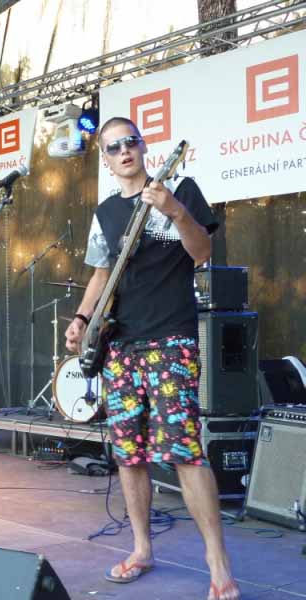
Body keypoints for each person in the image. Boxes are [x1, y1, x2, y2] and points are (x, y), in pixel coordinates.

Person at [65, 117, 239, 600]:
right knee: (129, 452)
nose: (124, 151)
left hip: (170, 340)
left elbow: (202, 252)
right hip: (120, 345)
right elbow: (102, 274)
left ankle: (218, 562)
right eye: (113, 147)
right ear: (105, 159)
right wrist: (82, 318)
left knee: (184, 450)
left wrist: (175, 211)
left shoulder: (180, 189)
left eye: (131, 142)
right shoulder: (105, 212)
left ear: (144, 147)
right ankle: (142, 549)